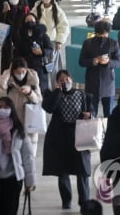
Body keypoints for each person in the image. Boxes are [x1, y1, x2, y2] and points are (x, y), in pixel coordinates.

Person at [42, 70, 93, 210]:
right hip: (61, 135)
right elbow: (49, 108)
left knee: (82, 170)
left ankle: (84, 201)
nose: (65, 81)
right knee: (62, 170)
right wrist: (58, 91)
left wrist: (90, 114)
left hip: (79, 134)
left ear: (71, 78)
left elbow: (91, 110)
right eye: (61, 80)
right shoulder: (52, 95)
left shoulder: (81, 94)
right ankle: (66, 200)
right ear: (57, 82)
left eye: (67, 78)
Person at [0, 97, 37, 215]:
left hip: (13, 178)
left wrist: (30, 181)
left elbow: (28, 157)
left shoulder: (19, 129)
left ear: (11, 110)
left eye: (6, 107)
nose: (2, 109)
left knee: (9, 210)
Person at [0, 57, 43, 155]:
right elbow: (1, 85)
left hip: (30, 120)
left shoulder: (33, 80)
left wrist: (30, 92)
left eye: (23, 71)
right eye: (17, 72)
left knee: (30, 152)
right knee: (14, 150)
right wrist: (8, 72)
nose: (21, 74)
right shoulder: (10, 81)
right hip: (13, 119)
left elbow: (38, 99)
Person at [79, 21, 120, 117]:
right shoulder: (87, 43)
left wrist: (108, 62)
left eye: (104, 33)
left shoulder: (113, 43)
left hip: (108, 82)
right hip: (92, 81)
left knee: (109, 114)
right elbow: (81, 62)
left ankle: (108, 130)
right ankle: (93, 130)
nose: (103, 35)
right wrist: (93, 61)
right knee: (91, 113)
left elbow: (118, 62)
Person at [13, 13, 54, 91]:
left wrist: (42, 52)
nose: (30, 22)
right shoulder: (20, 35)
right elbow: (17, 52)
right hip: (25, 67)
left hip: (40, 66)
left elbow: (50, 49)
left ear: (36, 21)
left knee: (41, 88)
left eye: (32, 20)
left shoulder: (43, 35)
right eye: (27, 20)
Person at [0, 0, 30, 72]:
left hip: (19, 40)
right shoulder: (5, 8)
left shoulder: (24, 10)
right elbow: (0, 23)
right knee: (6, 62)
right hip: (7, 39)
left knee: (19, 62)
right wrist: (3, 13)